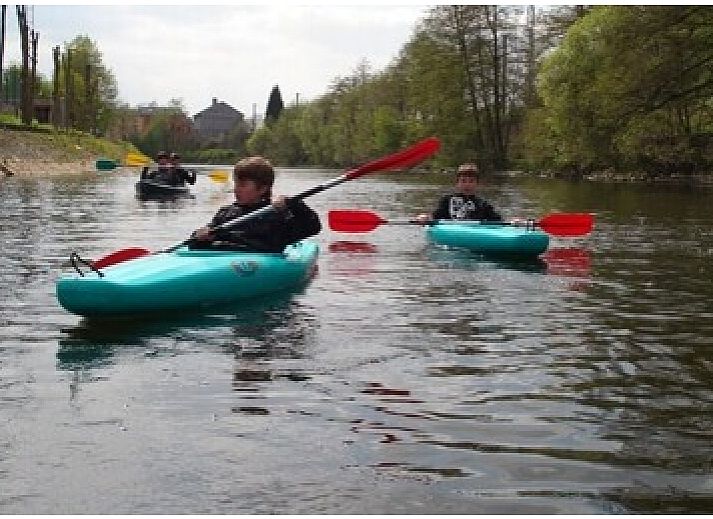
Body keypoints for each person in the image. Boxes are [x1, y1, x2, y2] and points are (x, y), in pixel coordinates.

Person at [190, 156, 321, 253]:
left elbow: (313, 227)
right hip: (224, 259)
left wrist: (294, 205)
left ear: (263, 189)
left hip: (257, 262)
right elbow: (195, 244)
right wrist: (200, 236)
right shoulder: (226, 213)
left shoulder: (277, 214)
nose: (236, 189)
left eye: (242, 185)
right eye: (236, 184)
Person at [415, 163, 502, 223]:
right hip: (451, 232)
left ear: (477, 184)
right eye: (463, 181)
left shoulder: (482, 204)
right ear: (457, 183)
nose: (467, 184)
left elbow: (499, 221)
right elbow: (435, 216)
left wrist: (514, 222)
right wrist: (424, 217)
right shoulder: (447, 200)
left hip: (473, 233)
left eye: (471, 181)